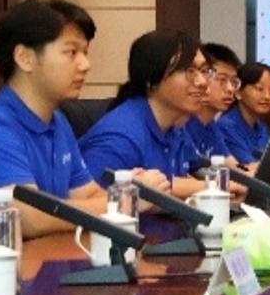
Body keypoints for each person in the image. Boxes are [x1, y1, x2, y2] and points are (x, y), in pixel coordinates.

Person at [0, 0, 168, 236]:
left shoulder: (58, 121)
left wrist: (135, 192)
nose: (85, 65)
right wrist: (126, 201)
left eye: (85, 52)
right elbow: (26, 217)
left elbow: (88, 193)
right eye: (71, 52)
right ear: (24, 58)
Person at [80, 30, 211, 199]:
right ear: (151, 79)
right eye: (189, 70)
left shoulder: (176, 128)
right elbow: (89, 205)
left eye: (204, 70)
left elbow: (178, 179)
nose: (202, 82)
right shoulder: (119, 138)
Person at [181, 42, 242, 164]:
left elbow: (230, 164)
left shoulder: (210, 125)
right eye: (222, 79)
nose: (230, 89)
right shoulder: (183, 123)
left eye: (234, 81)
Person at [216, 62, 270, 165]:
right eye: (259, 89)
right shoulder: (227, 126)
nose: (267, 96)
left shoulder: (261, 126)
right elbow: (250, 166)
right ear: (238, 92)